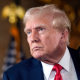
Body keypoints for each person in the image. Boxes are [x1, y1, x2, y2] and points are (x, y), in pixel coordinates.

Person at [3, 4, 80, 80]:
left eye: (40, 29)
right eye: (29, 32)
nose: (33, 38)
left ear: (63, 35)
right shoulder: (14, 76)